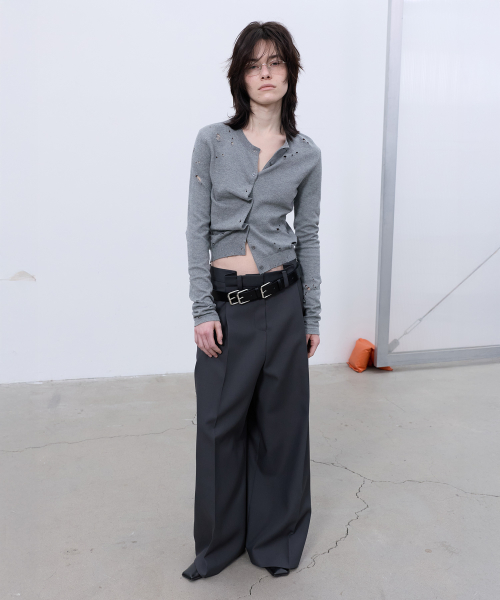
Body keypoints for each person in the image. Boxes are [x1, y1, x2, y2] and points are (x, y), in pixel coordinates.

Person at [182, 20, 322, 581]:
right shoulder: (212, 142)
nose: (265, 73)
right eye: (253, 65)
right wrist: (202, 309)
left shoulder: (307, 154)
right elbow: (196, 230)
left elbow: (308, 236)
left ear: (290, 73)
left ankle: (276, 541)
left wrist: (312, 314)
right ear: (240, 77)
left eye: (275, 62)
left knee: (282, 429)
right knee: (219, 427)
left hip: (284, 303)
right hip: (228, 306)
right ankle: (218, 545)